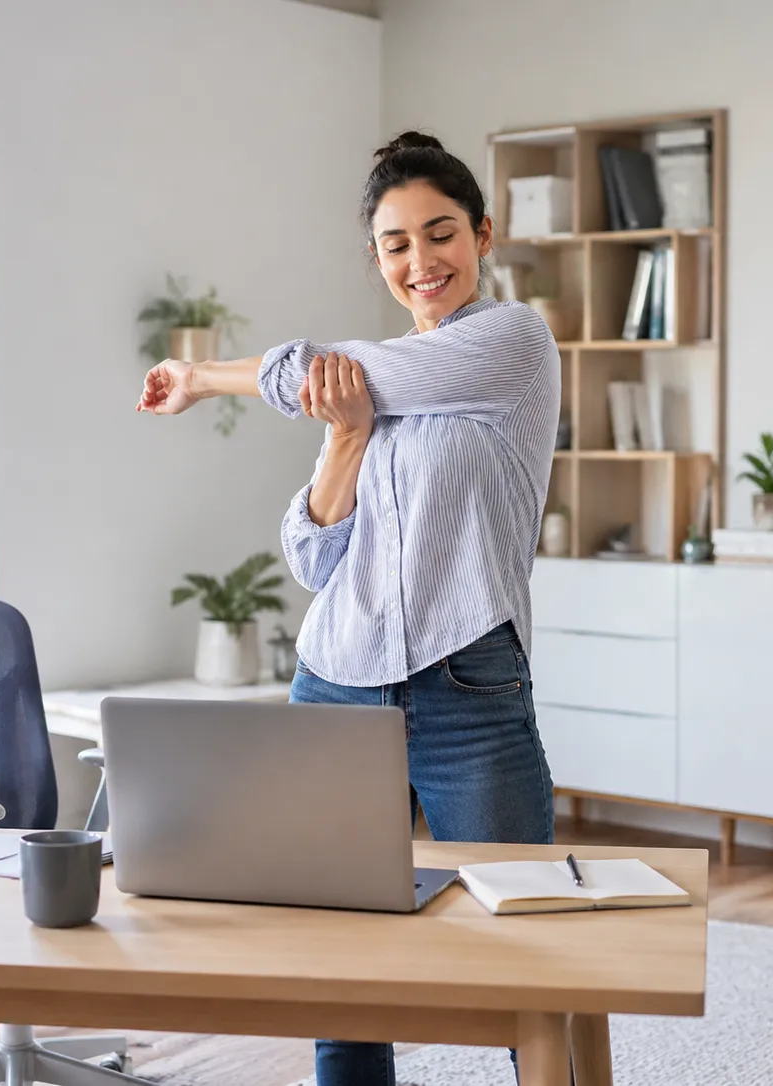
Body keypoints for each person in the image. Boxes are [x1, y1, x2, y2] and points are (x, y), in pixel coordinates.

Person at [136, 130, 560, 1086]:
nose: (422, 262)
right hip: (334, 683)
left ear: (483, 235)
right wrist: (348, 439)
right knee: (340, 969)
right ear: (376, 260)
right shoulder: (355, 394)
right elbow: (314, 552)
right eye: (396, 245)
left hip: (468, 684)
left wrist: (204, 377)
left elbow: (346, 373)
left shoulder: (512, 345)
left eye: (440, 233)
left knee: (526, 954)